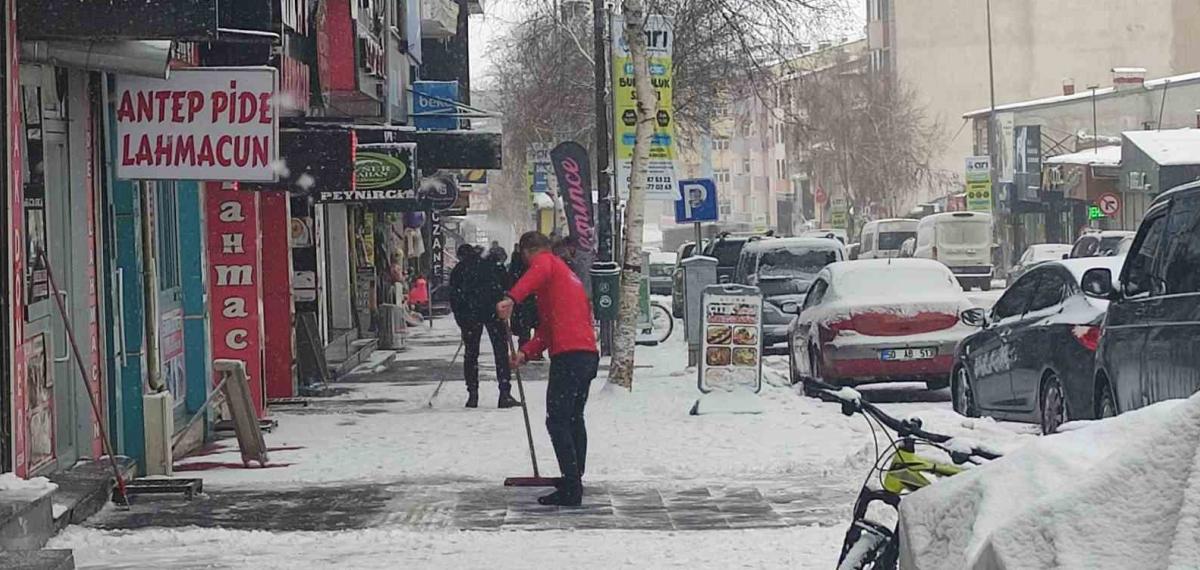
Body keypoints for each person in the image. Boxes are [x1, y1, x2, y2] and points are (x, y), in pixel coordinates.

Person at [497, 232, 599, 506]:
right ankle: (574, 477)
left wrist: (511, 297)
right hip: (586, 354)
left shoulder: (547, 262)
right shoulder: (566, 277)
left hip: (569, 356)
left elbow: (533, 275)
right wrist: (525, 353)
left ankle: (572, 486)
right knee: (573, 418)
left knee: (557, 420)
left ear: (527, 251)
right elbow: (547, 330)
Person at [449, 244, 522, 409]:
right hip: (493, 310)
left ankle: (472, 395)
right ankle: (504, 393)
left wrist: (462, 322)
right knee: (501, 352)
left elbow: (454, 297)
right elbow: (508, 287)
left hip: (470, 313)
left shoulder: (460, 269)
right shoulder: (493, 265)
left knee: (471, 354)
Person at [506, 247, 539, 349]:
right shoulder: (532, 266)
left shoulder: (516, 267)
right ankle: (533, 349)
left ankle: (524, 348)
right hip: (531, 300)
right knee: (536, 326)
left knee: (525, 328)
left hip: (523, 301)